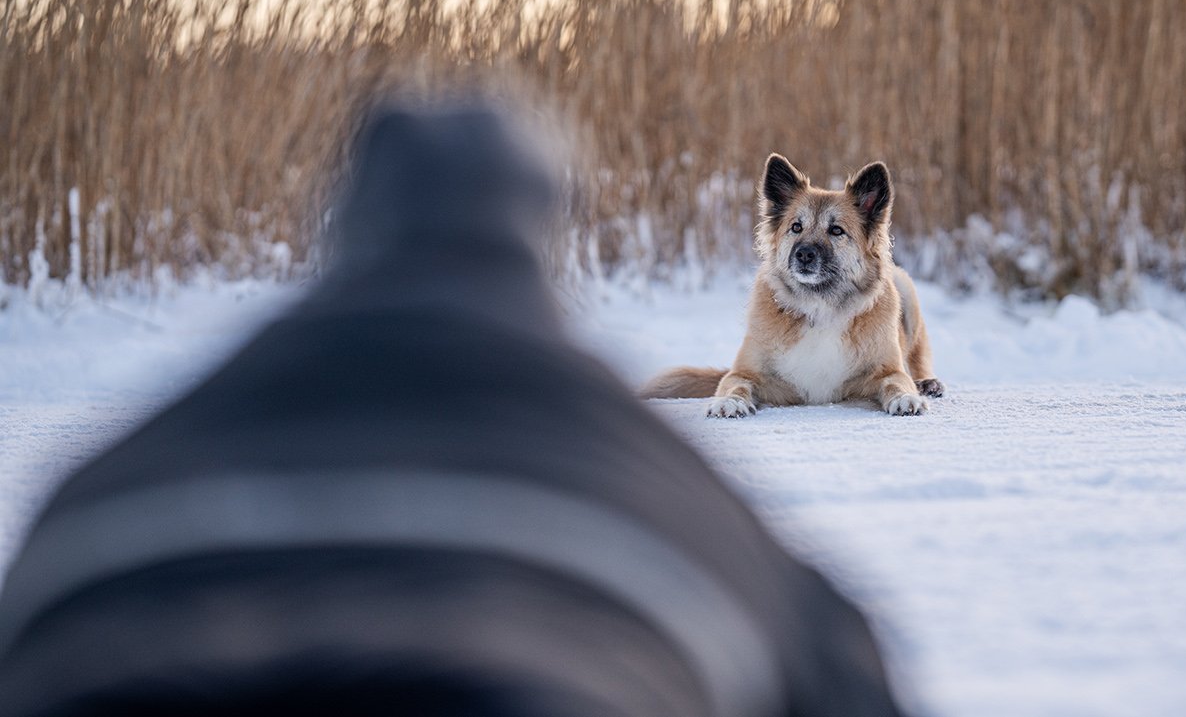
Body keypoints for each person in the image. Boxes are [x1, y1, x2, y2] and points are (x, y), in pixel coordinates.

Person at [0, 104, 908, 717]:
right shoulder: (651, 474)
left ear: (343, 227)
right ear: (533, 244)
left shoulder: (114, 477)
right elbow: (841, 659)